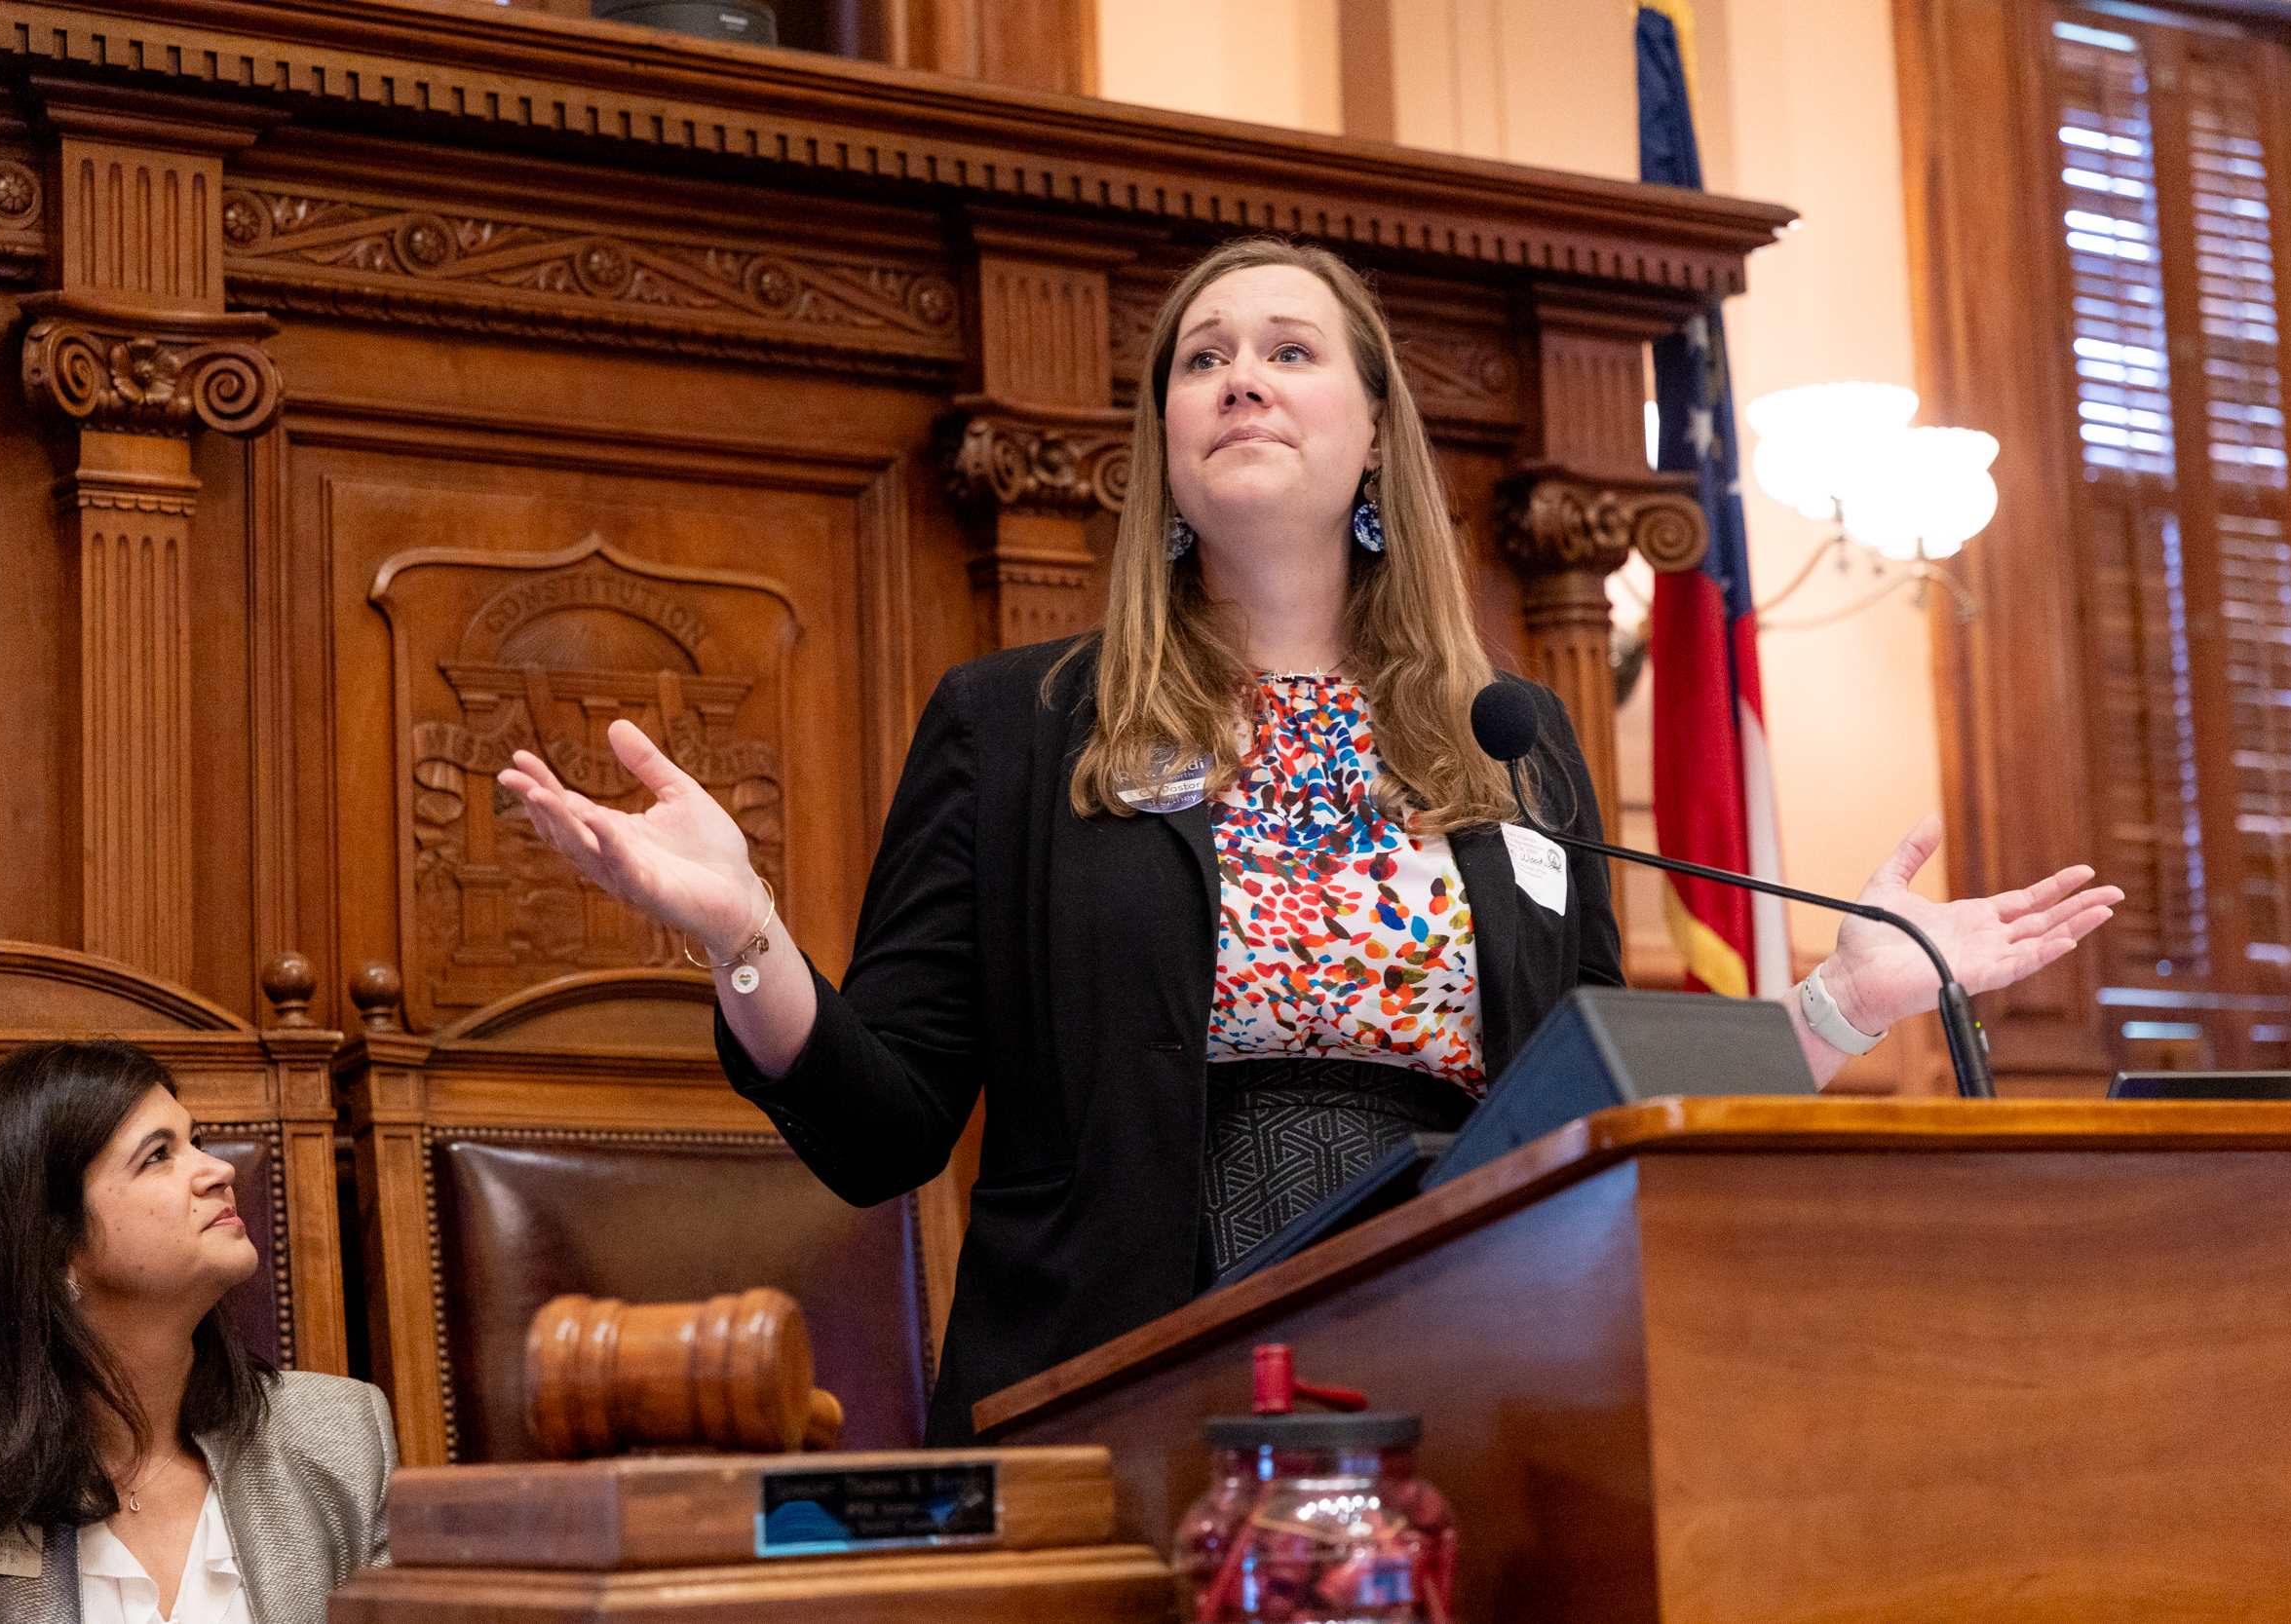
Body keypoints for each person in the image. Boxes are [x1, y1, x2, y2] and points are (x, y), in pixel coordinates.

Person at [499, 237, 2120, 1444]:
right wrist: (742, 935)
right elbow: (885, 1130)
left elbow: (1597, 1112)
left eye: (1289, 350)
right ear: (1169, 446)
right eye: (1202, 358)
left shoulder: (1508, 743)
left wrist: (1843, 1004)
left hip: (1473, 1365)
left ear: (1368, 441)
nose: (1242, 376)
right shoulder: (1022, 726)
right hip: (1124, 1376)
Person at [0, 1040, 394, 1624]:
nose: (220, 1171)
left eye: (196, 1142)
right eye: (158, 1156)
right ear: (51, 1244)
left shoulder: (341, 1435)